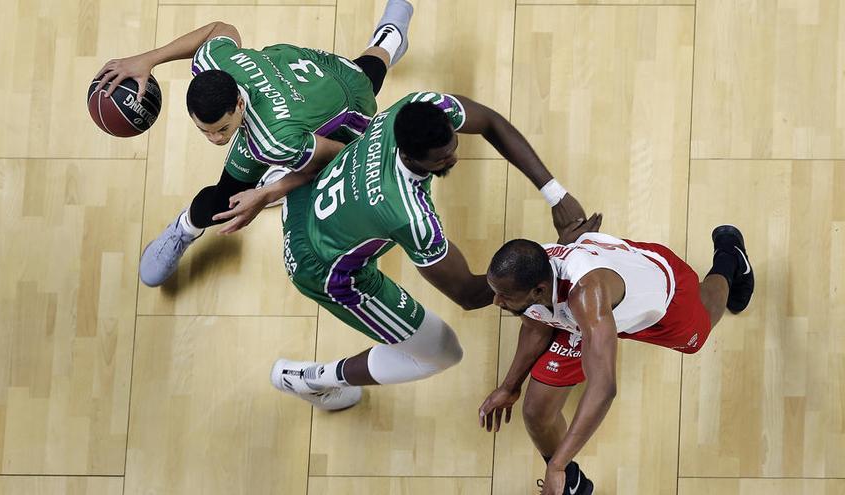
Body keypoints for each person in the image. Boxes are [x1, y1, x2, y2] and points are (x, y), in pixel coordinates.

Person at [252, 90, 598, 411]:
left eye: (452, 146)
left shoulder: (420, 105)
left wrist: (555, 194)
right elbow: (467, 293)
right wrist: (553, 255)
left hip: (308, 197)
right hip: (323, 268)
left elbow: (491, 121)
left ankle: (276, 185)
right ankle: (309, 380)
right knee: (441, 351)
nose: (454, 158)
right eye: (442, 160)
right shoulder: (409, 217)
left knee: (346, 129)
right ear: (408, 154)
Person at [94, 1, 415, 287]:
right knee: (369, 68)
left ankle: (188, 225)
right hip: (306, 73)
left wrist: (266, 193)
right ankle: (389, 36)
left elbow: (337, 157)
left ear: (239, 103)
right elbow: (220, 30)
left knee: (230, 202)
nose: (216, 139)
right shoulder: (214, 58)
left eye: (221, 129)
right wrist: (147, 60)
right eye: (204, 131)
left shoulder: (276, 140)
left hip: (347, 112)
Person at [477, 221, 755, 495]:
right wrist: (509, 387)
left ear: (538, 290)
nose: (496, 302)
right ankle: (572, 485)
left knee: (700, 329)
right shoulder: (532, 276)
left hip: (663, 295)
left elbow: (603, 387)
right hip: (583, 318)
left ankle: (729, 258)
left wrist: (556, 465)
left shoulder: (585, 293)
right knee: (537, 412)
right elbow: (535, 325)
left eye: (503, 296)